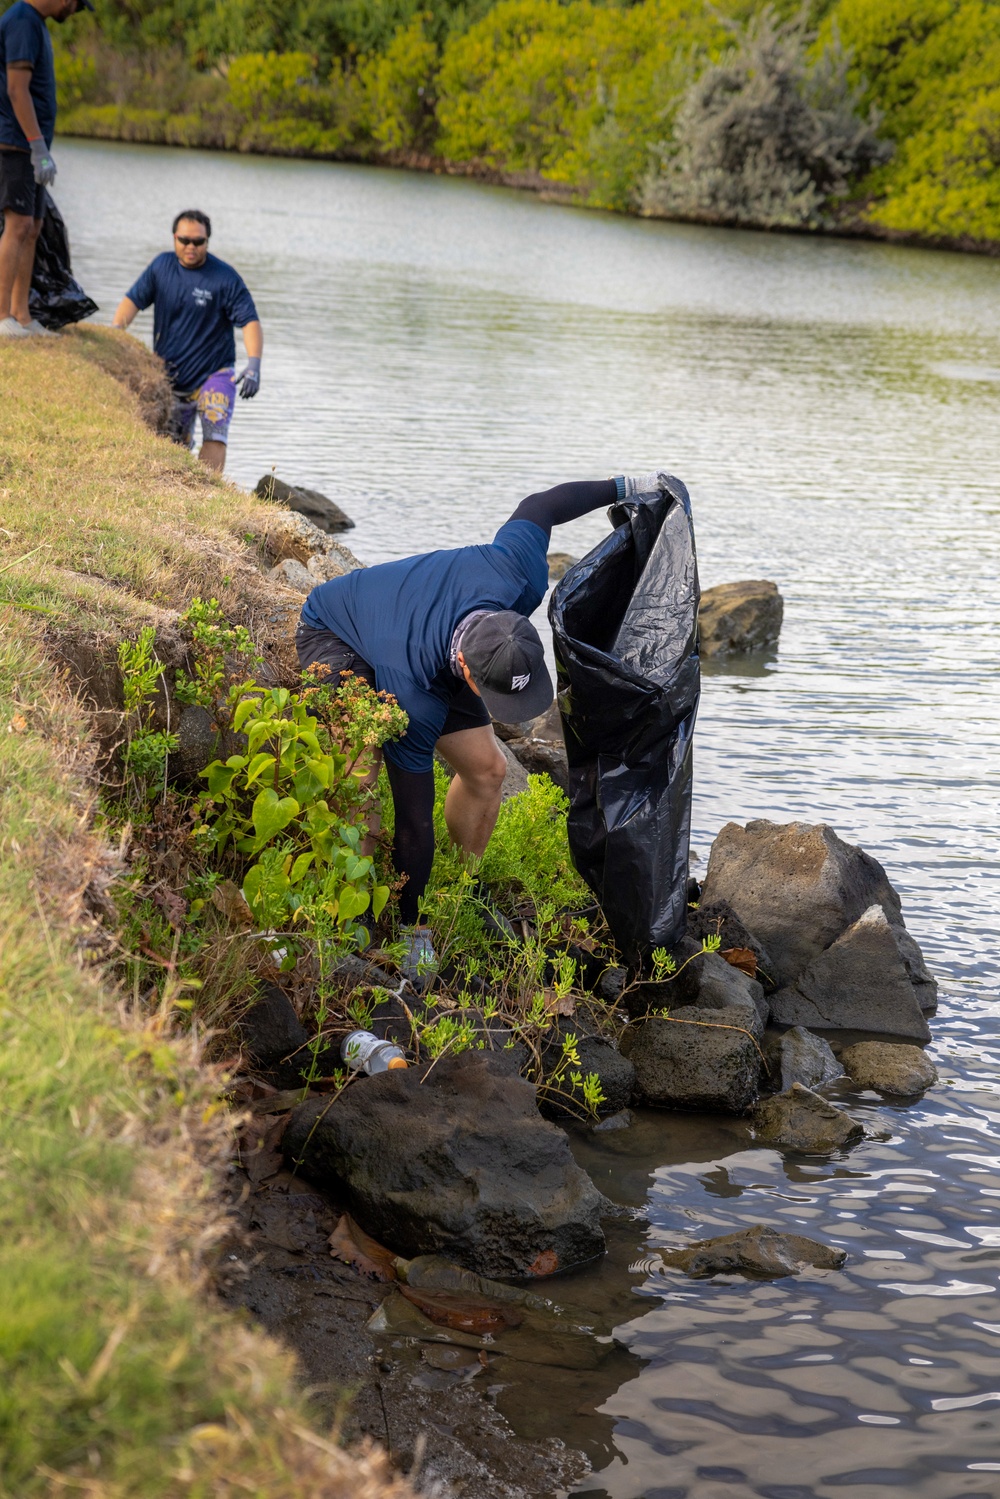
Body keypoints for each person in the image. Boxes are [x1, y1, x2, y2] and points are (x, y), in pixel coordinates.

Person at [296, 471, 666, 980]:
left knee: (489, 770)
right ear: (468, 672)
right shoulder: (414, 695)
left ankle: (456, 887)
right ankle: (358, 918)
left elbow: (542, 502)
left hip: (429, 637)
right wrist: (416, 932)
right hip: (339, 632)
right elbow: (414, 818)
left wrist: (627, 486)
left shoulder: (519, 573)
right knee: (362, 775)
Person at [111, 210, 263, 473]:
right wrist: (114, 334)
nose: (191, 247)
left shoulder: (225, 278)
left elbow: (250, 321)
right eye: (185, 240)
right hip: (171, 376)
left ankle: (208, 493)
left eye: (198, 241)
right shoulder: (161, 267)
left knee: (215, 430)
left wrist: (254, 364)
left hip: (215, 373)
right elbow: (132, 301)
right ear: (174, 238)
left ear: (207, 241)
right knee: (173, 444)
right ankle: (179, 491)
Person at [0, 0, 92, 338]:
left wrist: (41, 148)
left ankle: (22, 316)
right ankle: (1, 317)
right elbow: (16, 88)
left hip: (31, 145)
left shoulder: (36, 23)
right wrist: (37, 144)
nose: (76, 10)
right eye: (78, 4)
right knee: (18, 223)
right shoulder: (22, 20)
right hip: (15, 142)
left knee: (34, 225)